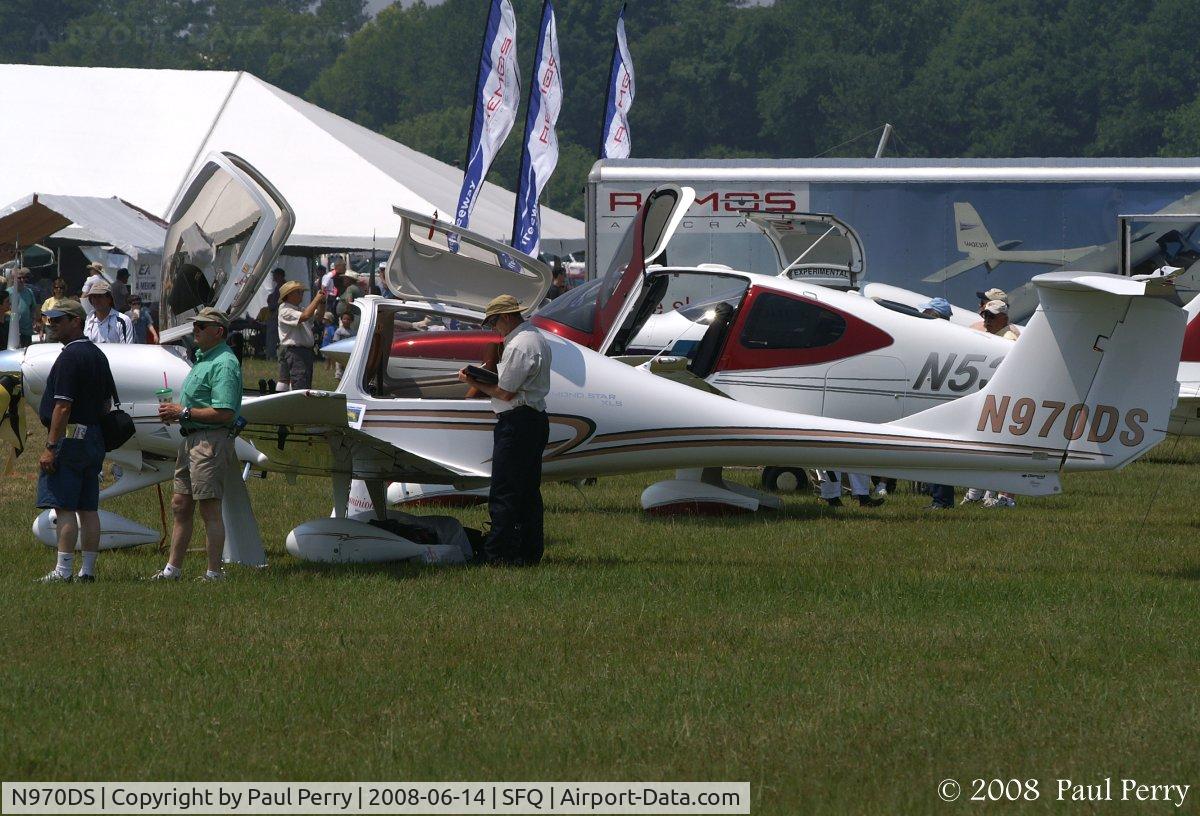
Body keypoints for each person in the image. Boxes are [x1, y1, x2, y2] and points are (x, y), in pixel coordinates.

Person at [150, 308, 243, 581]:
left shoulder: (224, 363)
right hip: (191, 439)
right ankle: (172, 569)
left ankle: (214, 572)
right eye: (196, 326)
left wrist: (183, 413)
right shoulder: (203, 360)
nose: (196, 331)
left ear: (219, 331)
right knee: (180, 503)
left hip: (209, 441)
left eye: (202, 326)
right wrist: (178, 413)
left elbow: (224, 412)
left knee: (209, 507)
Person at [459, 294, 551, 565]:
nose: (493, 328)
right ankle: (528, 551)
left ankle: (497, 554)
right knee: (528, 491)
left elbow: (505, 392)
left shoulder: (520, 345)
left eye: (494, 322)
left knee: (504, 491)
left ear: (508, 317)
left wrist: (472, 380)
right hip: (534, 419)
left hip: (517, 422)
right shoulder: (536, 338)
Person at [36, 299, 114, 583]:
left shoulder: (70, 357)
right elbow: (106, 403)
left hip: (71, 439)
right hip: (93, 437)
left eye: (59, 320)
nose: (52, 325)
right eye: (50, 320)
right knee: (88, 508)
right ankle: (88, 571)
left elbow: (62, 406)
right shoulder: (97, 354)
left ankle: (63, 570)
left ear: (76, 322)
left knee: (65, 507)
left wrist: (51, 447)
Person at [962, 298, 1021, 508]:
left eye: (991, 316)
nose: (986, 320)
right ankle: (980, 492)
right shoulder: (993, 336)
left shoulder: (1008, 339)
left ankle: (999, 496)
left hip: (1005, 401)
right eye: (985, 315)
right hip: (991, 398)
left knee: (1001, 448)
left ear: (1003, 318)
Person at [919, 297, 956, 509]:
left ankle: (941, 500)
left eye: (925, 314)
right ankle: (938, 496)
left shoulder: (939, 340)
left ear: (934, 316)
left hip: (938, 401)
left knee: (938, 450)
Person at [277, 280, 325, 391]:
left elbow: (318, 317)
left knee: (299, 381)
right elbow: (305, 316)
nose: (302, 294)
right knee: (300, 383)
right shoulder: (285, 310)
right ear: (289, 295)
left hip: (301, 351)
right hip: (296, 352)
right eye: (298, 292)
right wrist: (317, 299)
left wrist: (322, 302)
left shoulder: (299, 309)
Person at [10, 267, 39, 346]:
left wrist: (34, 321)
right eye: (19, 278)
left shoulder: (29, 292)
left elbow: (33, 308)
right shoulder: (8, 292)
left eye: (23, 278)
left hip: (26, 330)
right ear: (13, 279)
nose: (22, 280)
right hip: (11, 331)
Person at [264, 268, 286, 361]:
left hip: (278, 315)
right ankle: (271, 355)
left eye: (275, 274)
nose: (274, 277)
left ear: (280, 275)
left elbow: (281, 301)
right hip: (275, 314)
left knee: (273, 335)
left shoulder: (283, 286)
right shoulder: (278, 286)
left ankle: (272, 355)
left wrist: (273, 304)